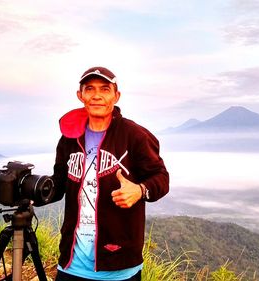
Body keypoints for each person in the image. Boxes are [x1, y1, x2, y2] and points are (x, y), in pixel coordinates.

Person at [50, 66, 170, 281]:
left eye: (105, 89)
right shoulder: (69, 137)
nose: (97, 95)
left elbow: (161, 178)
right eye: (90, 89)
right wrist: (30, 191)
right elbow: (58, 184)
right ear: (80, 96)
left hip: (118, 267)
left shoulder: (135, 135)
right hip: (70, 264)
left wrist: (140, 190)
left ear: (116, 96)